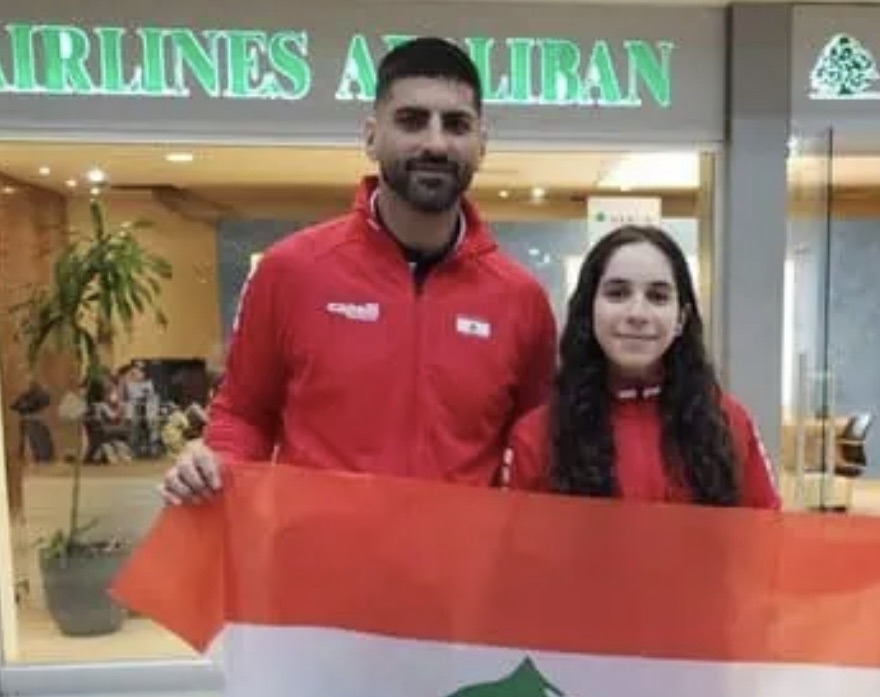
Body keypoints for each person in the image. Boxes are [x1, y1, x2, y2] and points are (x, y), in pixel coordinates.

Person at [160, 37, 556, 505]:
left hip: (461, 554)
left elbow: (540, 445)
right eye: (411, 121)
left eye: (456, 124)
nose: (435, 143)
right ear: (371, 136)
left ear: (481, 145)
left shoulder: (521, 300)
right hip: (317, 550)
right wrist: (213, 464)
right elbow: (244, 415)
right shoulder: (291, 271)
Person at [501, 225, 781, 509]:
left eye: (658, 297)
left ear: (681, 318)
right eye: (617, 293)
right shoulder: (536, 436)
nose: (637, 314)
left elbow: (766, 530)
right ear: (589, 309)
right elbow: (516, 537)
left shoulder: (730, 424)